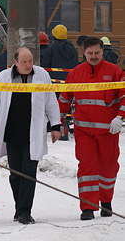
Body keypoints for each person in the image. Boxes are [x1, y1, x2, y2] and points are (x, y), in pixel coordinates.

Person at [0, 47, 61, 224]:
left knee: (29, 172)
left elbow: (51, 101)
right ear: (15, 62)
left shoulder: (42, 75)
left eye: (30, 61)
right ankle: (19, 208)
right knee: (15, 174)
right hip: (11, 133)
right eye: (24, 62)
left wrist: (55, 126)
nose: (28, 65)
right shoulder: (3, 77)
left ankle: (25, 211)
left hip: (32, 133)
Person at [58, 37, 125, 221]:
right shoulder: (75, 74)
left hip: (108, 133)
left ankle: (106, 203)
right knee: (87, 170)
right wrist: (58, 123)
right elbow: (64, 100)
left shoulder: (115, 72)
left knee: (108, 169)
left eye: (97, 53)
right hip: (84, 132)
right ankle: (87, 207)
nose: (93, 56)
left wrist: (120, 117)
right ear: (84, 53)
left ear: (102, 52)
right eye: (90, 53)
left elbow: (124, 96)